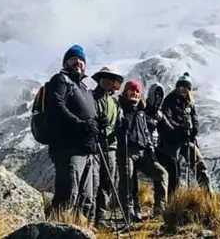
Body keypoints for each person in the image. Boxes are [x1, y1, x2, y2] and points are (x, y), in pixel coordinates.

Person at [44, 45, 101, 218]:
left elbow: (90, 116)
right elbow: (56, 106)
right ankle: (56, 231)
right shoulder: (61, 80)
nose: (78, 62)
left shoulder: (84, 88)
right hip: (68, 148)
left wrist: (99, 122)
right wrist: (81, 124)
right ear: (66, 62)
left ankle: (80, 231)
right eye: (73, 58)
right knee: (68, 194)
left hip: (87, 149)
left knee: (87, 198)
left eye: (82, 60)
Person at [116, 79, 169, 220]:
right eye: (132, 90)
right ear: (126, 91)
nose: (134, 93)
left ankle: (160, 210)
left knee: (161, 174)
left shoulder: (141, 110)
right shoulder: (120, 108)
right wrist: (122, 127)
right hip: (126, 150)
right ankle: (129, 212)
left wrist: (150, 149)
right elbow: (115, 129)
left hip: (143, 151)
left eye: (137, 91)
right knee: (128, 180)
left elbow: (145, 131)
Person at [156, 73, 211, 195]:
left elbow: (195, 119)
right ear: (177, 87)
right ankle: (172, 201)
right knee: (174, 173)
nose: (183, 90)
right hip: (171, 142)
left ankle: (209, 198)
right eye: (181, 86)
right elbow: (166, 120)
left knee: (200, 166)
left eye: (187, 88)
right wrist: (181, 128)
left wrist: (192, 130)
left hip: (187, 140)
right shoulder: (169, 100)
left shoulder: (190, 103)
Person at [90, 66, 124, 226]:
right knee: (93, 182)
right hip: (95, 146)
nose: (107, 81)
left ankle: (101, 217)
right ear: (99, 80)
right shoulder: (90, 98)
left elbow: (117, 124)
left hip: (110, 147)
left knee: (107, 182)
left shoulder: (114, 102)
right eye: (104, 78)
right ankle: (89, 217)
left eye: (110, 79)